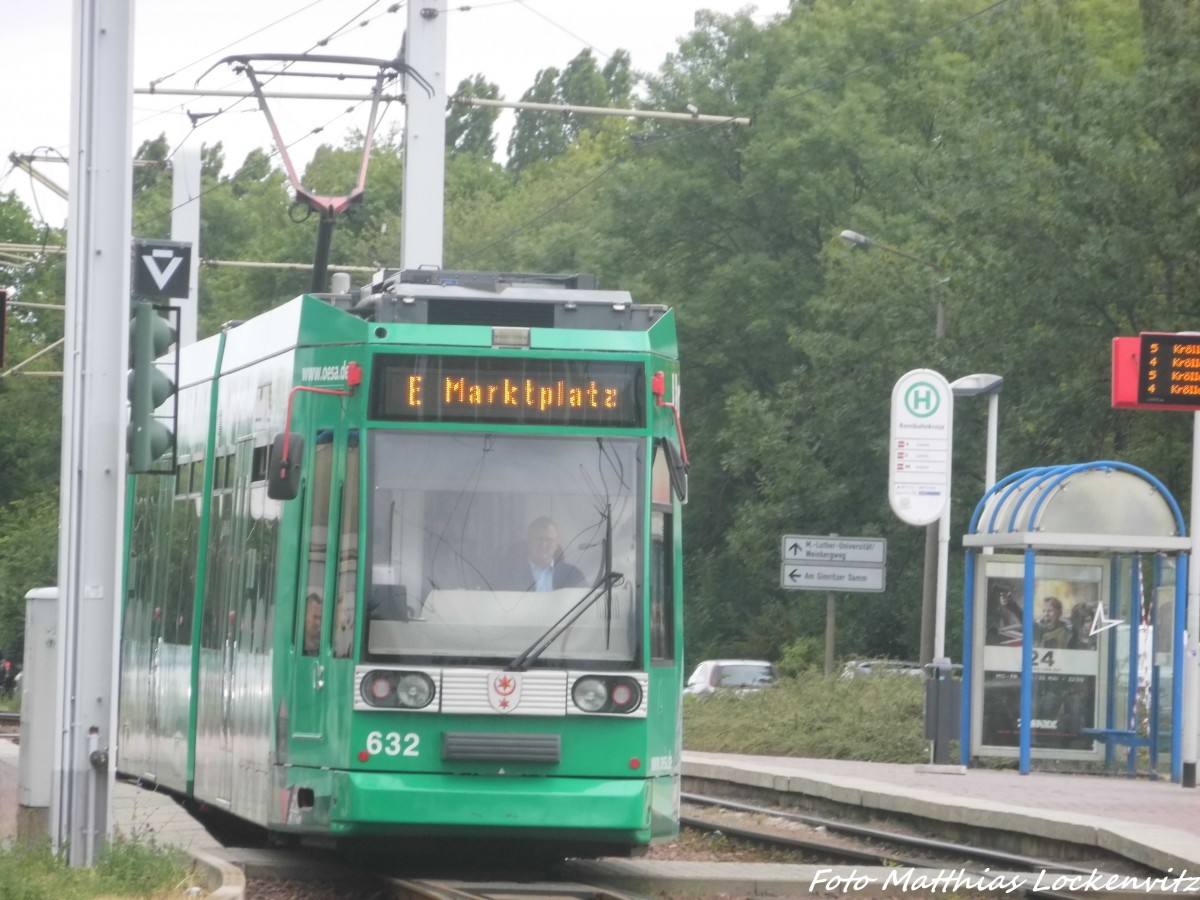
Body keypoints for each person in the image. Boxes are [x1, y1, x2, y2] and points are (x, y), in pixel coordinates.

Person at [496, 516, 585, 592]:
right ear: (528, 542)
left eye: (549, 540)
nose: (543, 545)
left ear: (556, 545)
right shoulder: (508, 576)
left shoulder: (573, 575)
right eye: (538, 539)